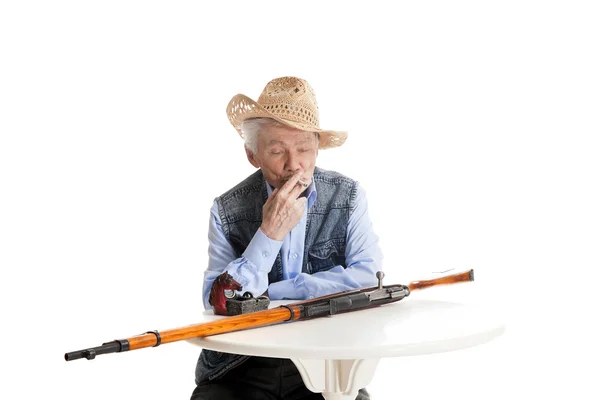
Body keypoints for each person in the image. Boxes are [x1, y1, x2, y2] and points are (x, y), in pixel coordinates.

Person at [191, 76, 382, 400]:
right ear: (254, 155)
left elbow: (368, 278)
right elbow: (218, 302)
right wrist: (269, 234)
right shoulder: (226, 209)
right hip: (239, 366)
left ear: (318, 148)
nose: (294, 165)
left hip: (325, 362)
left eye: (305, 149)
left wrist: (272, 292)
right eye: (277, 151)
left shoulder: (347, 196)